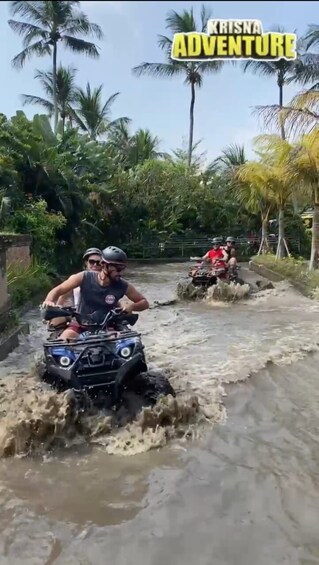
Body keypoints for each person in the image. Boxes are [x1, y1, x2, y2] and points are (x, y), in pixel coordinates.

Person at [42, 245, 149, 340]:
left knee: (120, 344)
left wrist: (132, 307)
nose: (120, 272)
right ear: (104, 265)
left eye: (122, 268)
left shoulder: (123, 285)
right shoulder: (83, 277)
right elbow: (58, 290)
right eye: (117, 268)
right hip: (80, 323)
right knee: (64, 341)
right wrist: (49, 301)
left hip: (108, 326)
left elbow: (144, 302)